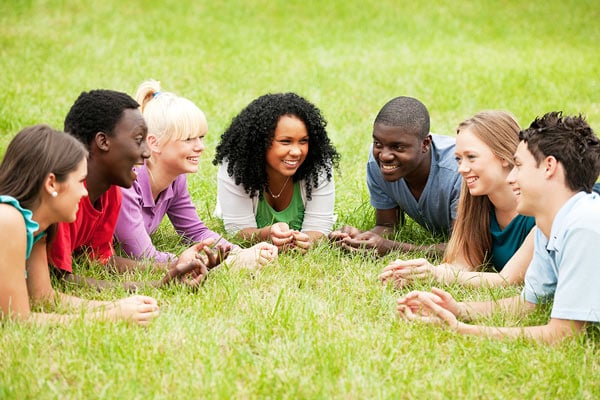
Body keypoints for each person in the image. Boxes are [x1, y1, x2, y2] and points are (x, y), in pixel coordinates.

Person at [398, 112, 600, 344]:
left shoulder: (584, 226)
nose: (512, 178)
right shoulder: (551, 225)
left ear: (549, 167)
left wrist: (461, 330)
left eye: (519, 166)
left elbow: (564, 334)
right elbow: (527, 304)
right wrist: (458, 309)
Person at [48, 89, 214, 290]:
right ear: (103, 142)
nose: (146, 152)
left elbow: (100, 261)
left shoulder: (111, 191)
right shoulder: (63, 193)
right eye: (138, 140)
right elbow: (59, 278)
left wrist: (176, 266)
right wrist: (155, 286)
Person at [0, 125, 158, 324]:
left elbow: (44, 299)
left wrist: (118, 306)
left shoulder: (36, 228)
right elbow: (16, 320)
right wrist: (110, 317)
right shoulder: (7, 219)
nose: (84, 192)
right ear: (51, 184)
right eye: (80, 181)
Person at [114, 80, 277, 270]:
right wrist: (223, 263)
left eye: (200, 137)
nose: (200, 147)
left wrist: (236, 251)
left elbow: (194, 230)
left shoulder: (176, 179)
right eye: (188, 139)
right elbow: (142, 255)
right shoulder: (126, 181)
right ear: (154, 143)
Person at [380, 111, 535, 288]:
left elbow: (509, 280)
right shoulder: (478, 204)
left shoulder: (538, 211)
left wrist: (436, 274)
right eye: (458, 159)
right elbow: (462, 265)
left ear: (504, 156)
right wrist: (413, 272)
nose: (461, 168)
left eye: (471, 157)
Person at [329, 96, 461, 256]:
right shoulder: (377, 164)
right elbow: (388, 225)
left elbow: (463, 248)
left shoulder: (459, 171)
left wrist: (392, 247)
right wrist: (359, 238)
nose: (384, 156)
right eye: (378, 144)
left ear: (425, 144)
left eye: (397, 147)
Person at [213, 92, 339, 252]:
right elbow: (238, 232)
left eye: (303, 141)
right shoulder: (237, 167)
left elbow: (319, 228)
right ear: (260, 143)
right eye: (285, 141)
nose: (296, 151)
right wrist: (267, 234)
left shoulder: (317, 166)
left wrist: (304, 242)